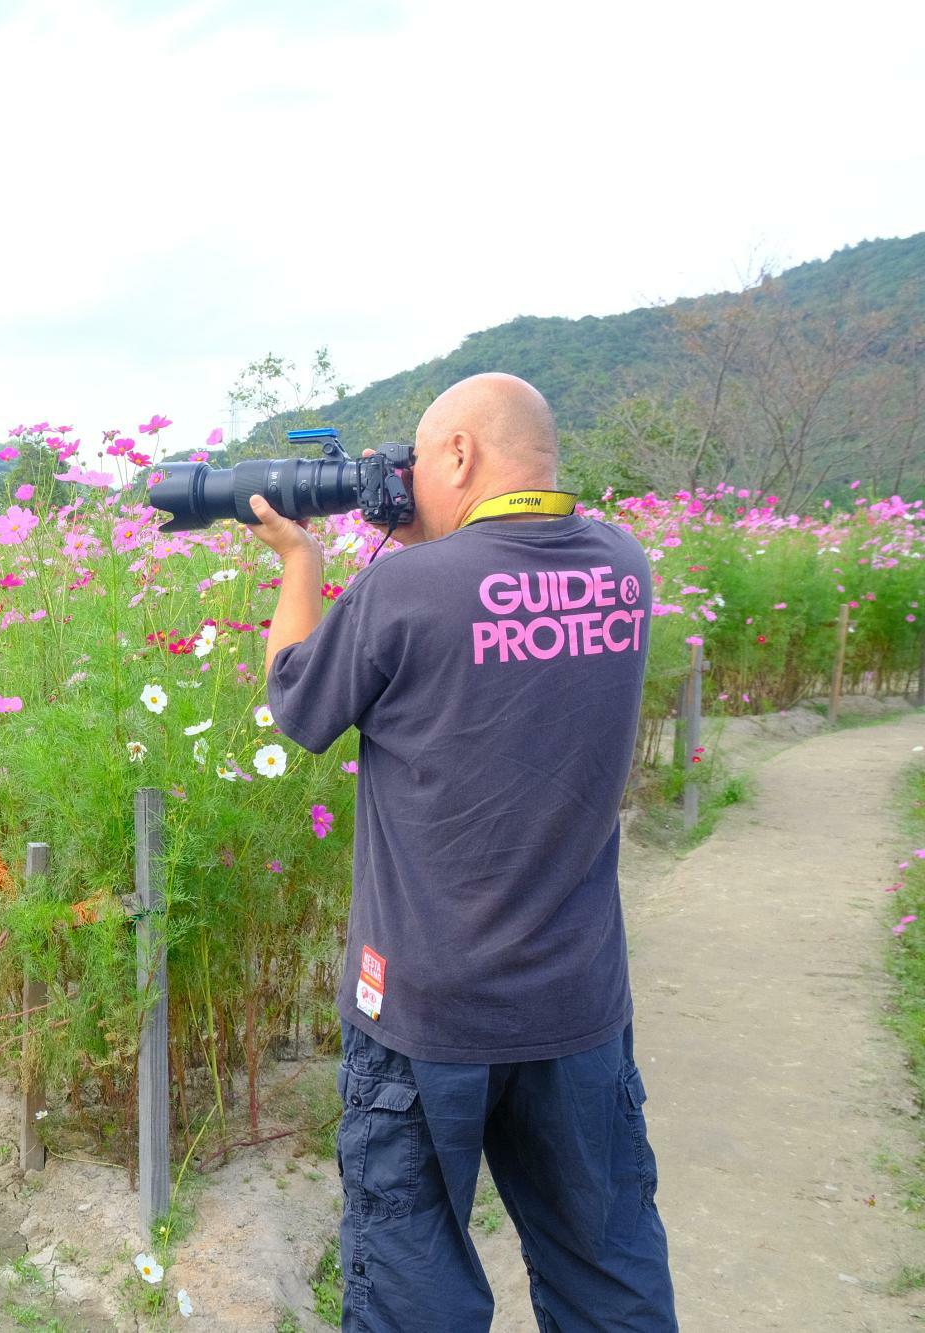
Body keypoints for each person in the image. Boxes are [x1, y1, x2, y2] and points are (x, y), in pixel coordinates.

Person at [252, 373, 678, 1331]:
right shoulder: (624, 564)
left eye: (419, 456)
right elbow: (499, 589)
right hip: (577, 1004)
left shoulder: (407, 586)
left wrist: (299, 563)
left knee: (413, 1291)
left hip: (425, 1013)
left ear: (457, 455)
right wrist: (436, 540)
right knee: (608, 1272)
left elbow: (297, 701)